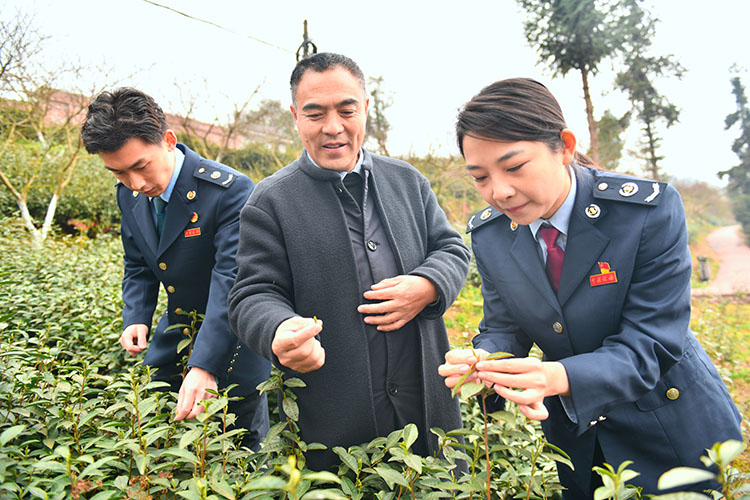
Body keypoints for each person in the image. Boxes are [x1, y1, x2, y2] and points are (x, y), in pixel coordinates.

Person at [438, 78, 743, 497]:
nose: (499, 191)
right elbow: (504, 325)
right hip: (579, 439)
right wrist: (485, 359)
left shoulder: (642, 214)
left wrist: (555, 376)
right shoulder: (492, 234)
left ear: (564, 146)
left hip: (669, 426)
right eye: (480, 177)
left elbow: (651, 343)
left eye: (513, 167)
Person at [228, 52, 470, 469]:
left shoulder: (407, 181)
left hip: (427, 412)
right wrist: (279, 328)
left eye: (346, 110)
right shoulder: (270, 201)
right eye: (315, 113)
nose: (333, 127)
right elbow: (251, 294)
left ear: (366, 110)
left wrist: (428, 285)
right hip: (333, 424)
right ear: (295, 117)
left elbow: (451, 248)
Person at [81, 88, 271, 449]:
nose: (135, 184)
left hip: (231, 341)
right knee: (164, 443)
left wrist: (205, 365)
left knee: (243, 450)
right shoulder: (129, 194)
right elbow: (138, 262)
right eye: (119, 173)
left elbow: (230, 282)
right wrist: (136, 315)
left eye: (140, 167)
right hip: (175, 336)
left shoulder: (228, 191)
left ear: (168, 141)